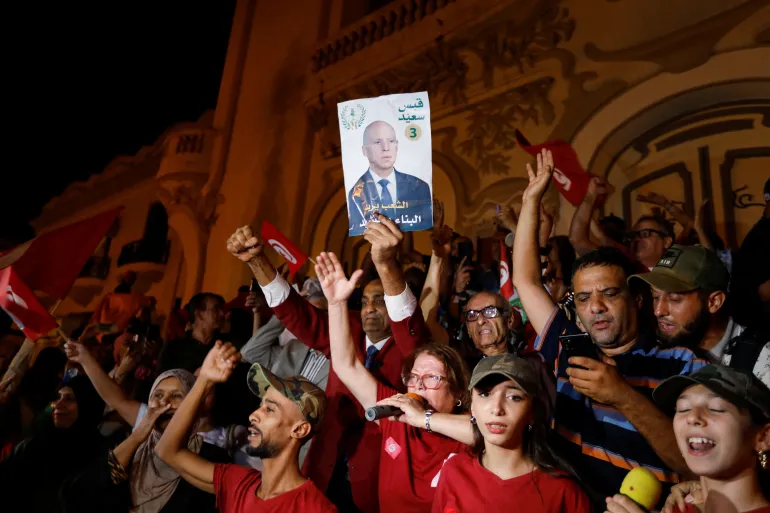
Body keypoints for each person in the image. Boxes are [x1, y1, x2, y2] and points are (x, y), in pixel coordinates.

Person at [512, 149, 708, 509]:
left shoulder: (683, 365)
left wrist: (622, 396)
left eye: (609, 294)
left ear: (636, 300)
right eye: (583, 297)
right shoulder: (569, 345)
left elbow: (693, 463)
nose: (595, 307)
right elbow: (525, 280)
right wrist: (530, 200)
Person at [227, 216, 426, 513]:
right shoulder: (347, 330)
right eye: (366, 300)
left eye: (381, 300)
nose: (371, 307)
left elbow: (408, 321)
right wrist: (257, 261)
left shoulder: (412, 351)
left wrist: (386, 265)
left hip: (374, 485)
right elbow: (297, 314)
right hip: (320, 472)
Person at [316, 250, 471, 513]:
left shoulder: (464, 434)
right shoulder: (396, 419)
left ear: (458, 392)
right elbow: (346, 364)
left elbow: (488, 430)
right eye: (413, 377)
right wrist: (336, 303)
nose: (419, 386)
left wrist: (424, 419)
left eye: (432, 377)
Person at [154, 341, 337, 513]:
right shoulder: (239, 483)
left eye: (270, 409)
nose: (254, 415)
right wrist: (204, 380)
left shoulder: (315, 508)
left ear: (299, 429)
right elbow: (167, 451)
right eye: (261, 405)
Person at [65, 341, 230, 513]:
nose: (165, 402)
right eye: (158, 395)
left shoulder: (212, 457)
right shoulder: (128, 447)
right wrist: (137, 436)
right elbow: (84, 492)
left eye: (176, 396)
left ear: (192, 404)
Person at [432, 353, 592, 513]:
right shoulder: (454, 471)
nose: (496, 408)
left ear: (532, 412)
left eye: (514, 397)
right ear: (472, 406)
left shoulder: (562, 491)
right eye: (485, 394)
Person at [607, 365, 770, 513]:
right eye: (683, 409)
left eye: (716, 409)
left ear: (763, 437)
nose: (692, 417)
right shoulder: (677, 508)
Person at [629, 244, 769, 388]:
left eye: (674, 299)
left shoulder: (761, 359)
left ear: (714, 302)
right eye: (655, 296)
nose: (658, 311)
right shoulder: (652, 349)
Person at [0, 375, 106, 513]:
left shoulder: (101, 451)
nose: (58, 404)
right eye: (58, 397)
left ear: (87, 404)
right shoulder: (34, 445)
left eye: (69, 399)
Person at [347, 120, 432, 235]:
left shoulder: (419, 187)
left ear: (397, 146)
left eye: (391, 141)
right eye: (377, 142)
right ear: (364, 150)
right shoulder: (355, 195)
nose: (386, 148)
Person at [157, 293, 226, 373]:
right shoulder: (174, 348)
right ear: (199, 314)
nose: (222, 314)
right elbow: (163, 379)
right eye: (216, 309)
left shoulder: (224, 345)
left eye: (221, 309)